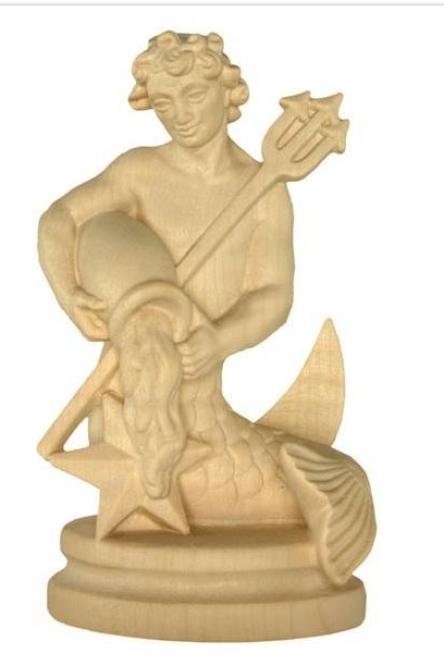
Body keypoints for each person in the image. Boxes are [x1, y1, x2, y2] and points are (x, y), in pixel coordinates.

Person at [39, 32, 374, 581]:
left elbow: (273, 293)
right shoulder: (138, 172)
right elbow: (61, 220)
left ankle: (313, 488)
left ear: (226, 92)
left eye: (194, 95)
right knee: (169, 470)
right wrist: (69, 295)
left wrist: (220, 339)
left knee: (292, 481)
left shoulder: (265, 190)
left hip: (202, 398)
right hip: (132, 399)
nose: (181, 115)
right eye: (165, 103)